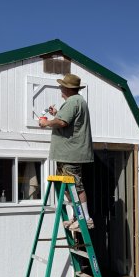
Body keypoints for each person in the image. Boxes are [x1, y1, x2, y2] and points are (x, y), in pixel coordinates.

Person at [38, 73, 94, 231]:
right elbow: (67, 120)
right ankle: (78, 216)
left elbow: (63, 122)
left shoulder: (73, 101)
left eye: (62, 86)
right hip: (67, 153)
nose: (60, 88)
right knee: (70, 186)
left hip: (70, 153)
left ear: (68, 89)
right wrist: (56, 114)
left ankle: (86, 218)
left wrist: (46, 122)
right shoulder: (77, 101)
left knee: (76, 186)